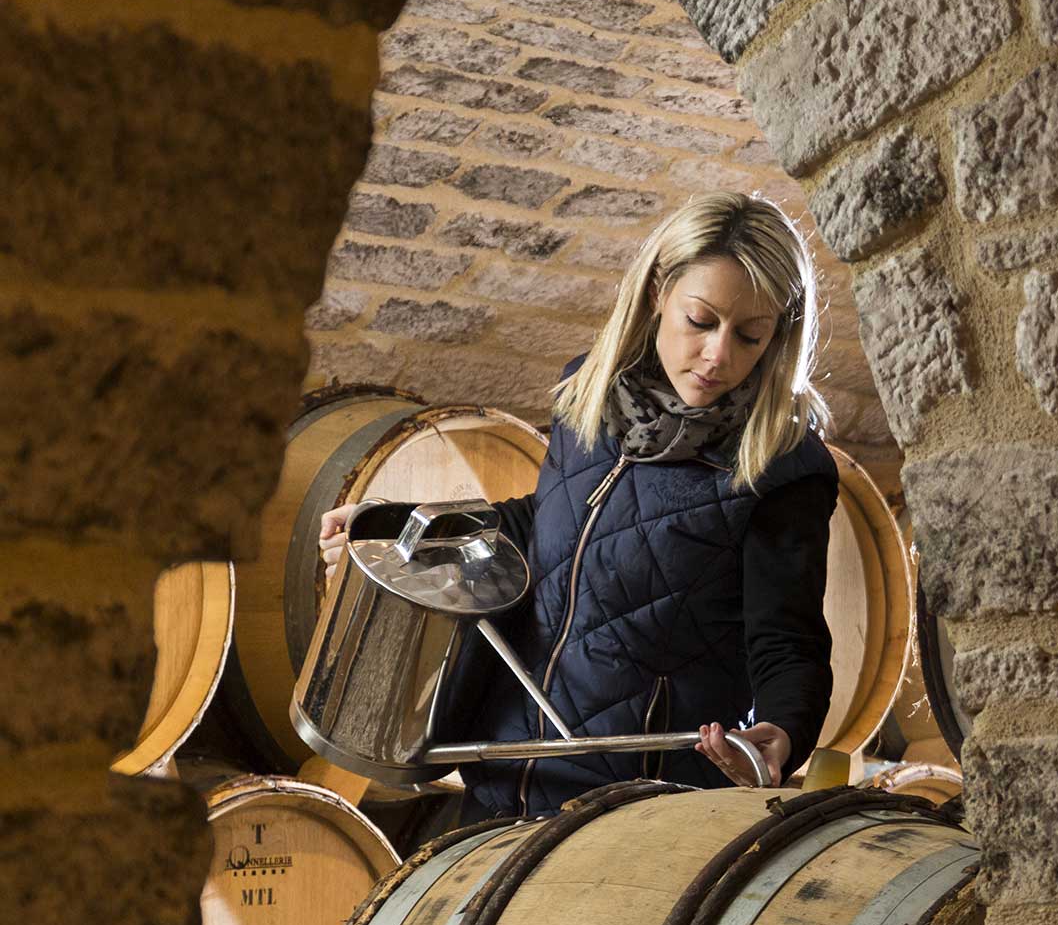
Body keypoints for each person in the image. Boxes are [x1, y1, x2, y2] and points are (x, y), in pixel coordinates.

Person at [318, 191, 838, 820]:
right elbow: (543, 523)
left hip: (637, 805)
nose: (719, 356)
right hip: (504, 769)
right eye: (701, 321)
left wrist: (782, 732)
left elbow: (788, 641)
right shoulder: (587, 398)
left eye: (750, 336)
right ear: (656, 296)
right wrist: (397, 523)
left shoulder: (781, 468)